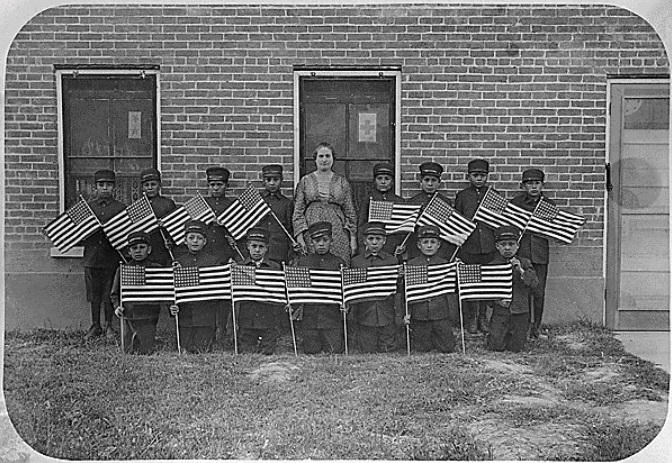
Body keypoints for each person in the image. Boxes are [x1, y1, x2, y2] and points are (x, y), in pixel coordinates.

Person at [293, 142, 358, 265]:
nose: (324, 160)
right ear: (315, 159)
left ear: (333, 159)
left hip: (337, 230)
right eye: (321, 156)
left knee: (337, 265)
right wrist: (300, 237)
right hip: (312, 226)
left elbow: (350, 212)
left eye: (328, 156)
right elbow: (298, 211)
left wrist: (353, 239)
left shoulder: (342, 182)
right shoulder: (305, 181)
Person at [81, 169, 126, 340]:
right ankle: (95, 325)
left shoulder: (120, 208)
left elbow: (125, 233)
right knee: (94, 294)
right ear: (95, 187)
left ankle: (109, 325)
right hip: (92, 257)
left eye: (108, 185)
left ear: (114, 187)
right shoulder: (88, 208)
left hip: (111, 257)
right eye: (101, 185)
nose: (105, 188)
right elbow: (80, 233)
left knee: (109, 293)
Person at [454, 159, 497, 335]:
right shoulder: (463, 196)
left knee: (486, 284)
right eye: (475, 175)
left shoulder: (492, 195)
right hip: (469, 247)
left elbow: (498, 221)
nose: (479, 179)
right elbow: (457, 222)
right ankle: (471, 318)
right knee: (471, 284)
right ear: (468, 176)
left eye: (482, 175)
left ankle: (483, 318)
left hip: (488, 246)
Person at [510, 168, 553, 339]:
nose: (533, 187)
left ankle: (537, 327)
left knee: (539, 291)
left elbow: (552, 229)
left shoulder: (548, 205)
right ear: (523, 186)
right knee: (523, 291)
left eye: (537, 183)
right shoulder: (517, 203)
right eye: (529, 184)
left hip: (540, 253)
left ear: (542, 185)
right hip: (523, 253)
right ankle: (524, 327)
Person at [170, 220, 223, 353]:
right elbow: (171, 288)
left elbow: (217, 288)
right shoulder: (179, 262)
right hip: (185, 315)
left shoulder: (213, 261)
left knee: (202, 348)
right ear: (185, 240)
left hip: (205, 315)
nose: (195, 241)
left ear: (205, 241)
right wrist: (171, 306)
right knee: (185, 348)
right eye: (191, 238)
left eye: (199, 238)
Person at [293, 221, 347, 354]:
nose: (321, 244)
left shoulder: (338, 262)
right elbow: (298, 288)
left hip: (331, 317)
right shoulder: (304, 262)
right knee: (310, 350)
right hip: (311, 316)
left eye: (325, 240)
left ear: (331, 241)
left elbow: (344, 288)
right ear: (312, 242)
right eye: (317, 241)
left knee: (335, 350)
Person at [403, 225, 456, 353]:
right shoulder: (412, 265)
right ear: (418, 245)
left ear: (438, 245)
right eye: (425, 242)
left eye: (433, 242)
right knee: (422, 348)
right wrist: (407, 312)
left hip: (440, 313)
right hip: (420, 313)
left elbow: (450, 292)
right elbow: (407, 292)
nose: (429, 246)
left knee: (447, 348)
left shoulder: (445, 264)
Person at [486, 225, 539, 352]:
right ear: (497, 246)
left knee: (516, 348)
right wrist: (497, 300)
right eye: (503, 244)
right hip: (501, 311)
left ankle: (514, 336)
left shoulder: (525, 263)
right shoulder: (492, 266)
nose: (507, 248)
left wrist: (521, 271)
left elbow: (535, 284)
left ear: (517, 246)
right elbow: (487, 290)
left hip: (520, 311)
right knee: (496, 347)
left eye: (511, 244)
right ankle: (495, 335)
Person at [350, 221, 401, 353]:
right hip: (365, 314)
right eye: (370, 239)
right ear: (364, 241)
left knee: (387, 349)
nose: (374, 242)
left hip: (386, 313)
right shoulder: (356, 262)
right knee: (367, 349)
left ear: (384, 241)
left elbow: (396, 290)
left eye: (378, 239)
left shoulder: (392, 261)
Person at [111, 231, 165, 354]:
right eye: (134, 248)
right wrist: (117, 307)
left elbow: (164, 289)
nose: (138, 251)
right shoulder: (123, 270)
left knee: (146, 349)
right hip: (130, 314)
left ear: (149, 249)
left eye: (142, 247)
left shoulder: (156, 269)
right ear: (129, 251)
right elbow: (115, 293)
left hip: (149, 314)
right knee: (128, 349)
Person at [202, 166, 238, 345]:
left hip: (225, 255)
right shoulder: (202, 205)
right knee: (209, 294)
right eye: (212, 185)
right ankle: (210, 329)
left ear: (226, 186)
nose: (215, 188)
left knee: (224, 296)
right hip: (207, 256)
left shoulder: (232, 205)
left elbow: (239, 233)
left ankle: (223, 329)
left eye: (219, 185)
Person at [235, 227, 283, 354]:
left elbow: (278, 294)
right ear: (248, 247)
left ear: (266, 248)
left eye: (261, 247)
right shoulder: (240, 267)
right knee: (246, 353)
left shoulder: (274, 268)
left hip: (268, 318)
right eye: (254, 246)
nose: (257, 250)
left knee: (267, 353)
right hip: (247, 319)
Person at [407, 161, 457, 261]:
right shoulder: (413, 201)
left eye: (433, 180)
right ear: (421, 181)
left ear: (439, 182)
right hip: (418, 248)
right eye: (427, 180)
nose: (430, 184)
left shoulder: (445, 201)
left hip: (439, 249)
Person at [357, 162, 406, 258]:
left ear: (392, 181)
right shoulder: (368, 199)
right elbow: (362, 224)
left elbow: (403, 227)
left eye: (387, 179)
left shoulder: (398, 200)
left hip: (393, 245)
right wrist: (363, 246)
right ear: (374, 181)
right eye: (379, 178)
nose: (383, 182)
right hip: (373, 244)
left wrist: (402, 245)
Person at [258, 164, 297, 265]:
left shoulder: (287, 203)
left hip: (279, 252)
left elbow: (289, 229)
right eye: (268, 179)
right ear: (263, 181)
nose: (272, 183)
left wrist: (290, 253)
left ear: (281, 180)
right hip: (259, 252)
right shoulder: (257, 201)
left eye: (276, 180)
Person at [140, 168, 177, 265]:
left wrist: (170, 240)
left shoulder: (168, 204)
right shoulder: (139, 206)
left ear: (159, 185)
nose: (150, 188)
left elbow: (175, 226)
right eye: (146, 185)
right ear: (142, 188)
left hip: (162, 247)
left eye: (153, 184)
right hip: (145, 250)